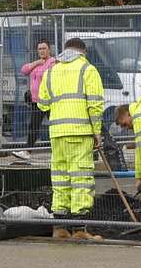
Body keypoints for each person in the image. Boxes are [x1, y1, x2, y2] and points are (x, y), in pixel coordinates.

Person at [35, 37, 105, 240]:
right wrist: (97, 131)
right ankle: (79, 230)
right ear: (83, 52)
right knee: (80, 178)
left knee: (60, 178)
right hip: (80, 131)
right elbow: (95, 104)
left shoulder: (51, 70)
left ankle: (59, 228)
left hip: (57, 132)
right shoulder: (87, 69)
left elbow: (43, 103)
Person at [20, 40, 55, 148]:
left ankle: (57, 147)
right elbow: (24, 70)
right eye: (39, 49)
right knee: (33, 126)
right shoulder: (38, 63)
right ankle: (27, 151)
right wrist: (37, 62)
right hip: (36, 101)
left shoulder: (52, 62)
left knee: (55, 125)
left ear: (49, 49)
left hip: (48, 101)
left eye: (44, 48)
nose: (42, 51)